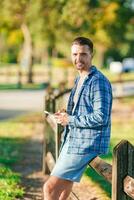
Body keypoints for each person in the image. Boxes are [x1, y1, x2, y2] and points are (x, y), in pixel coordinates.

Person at [43, 37, 113, 200]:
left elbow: (101, 117)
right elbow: (83, 109)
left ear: (91, 55)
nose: (78, 58)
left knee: (49, 188)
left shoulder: (98, 82)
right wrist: (67, 113)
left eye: (83, 54)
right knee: (62, 191)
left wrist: (71, 120)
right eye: (74, 54)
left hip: (85, 142)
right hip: (73, 138)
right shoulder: (79, 78)